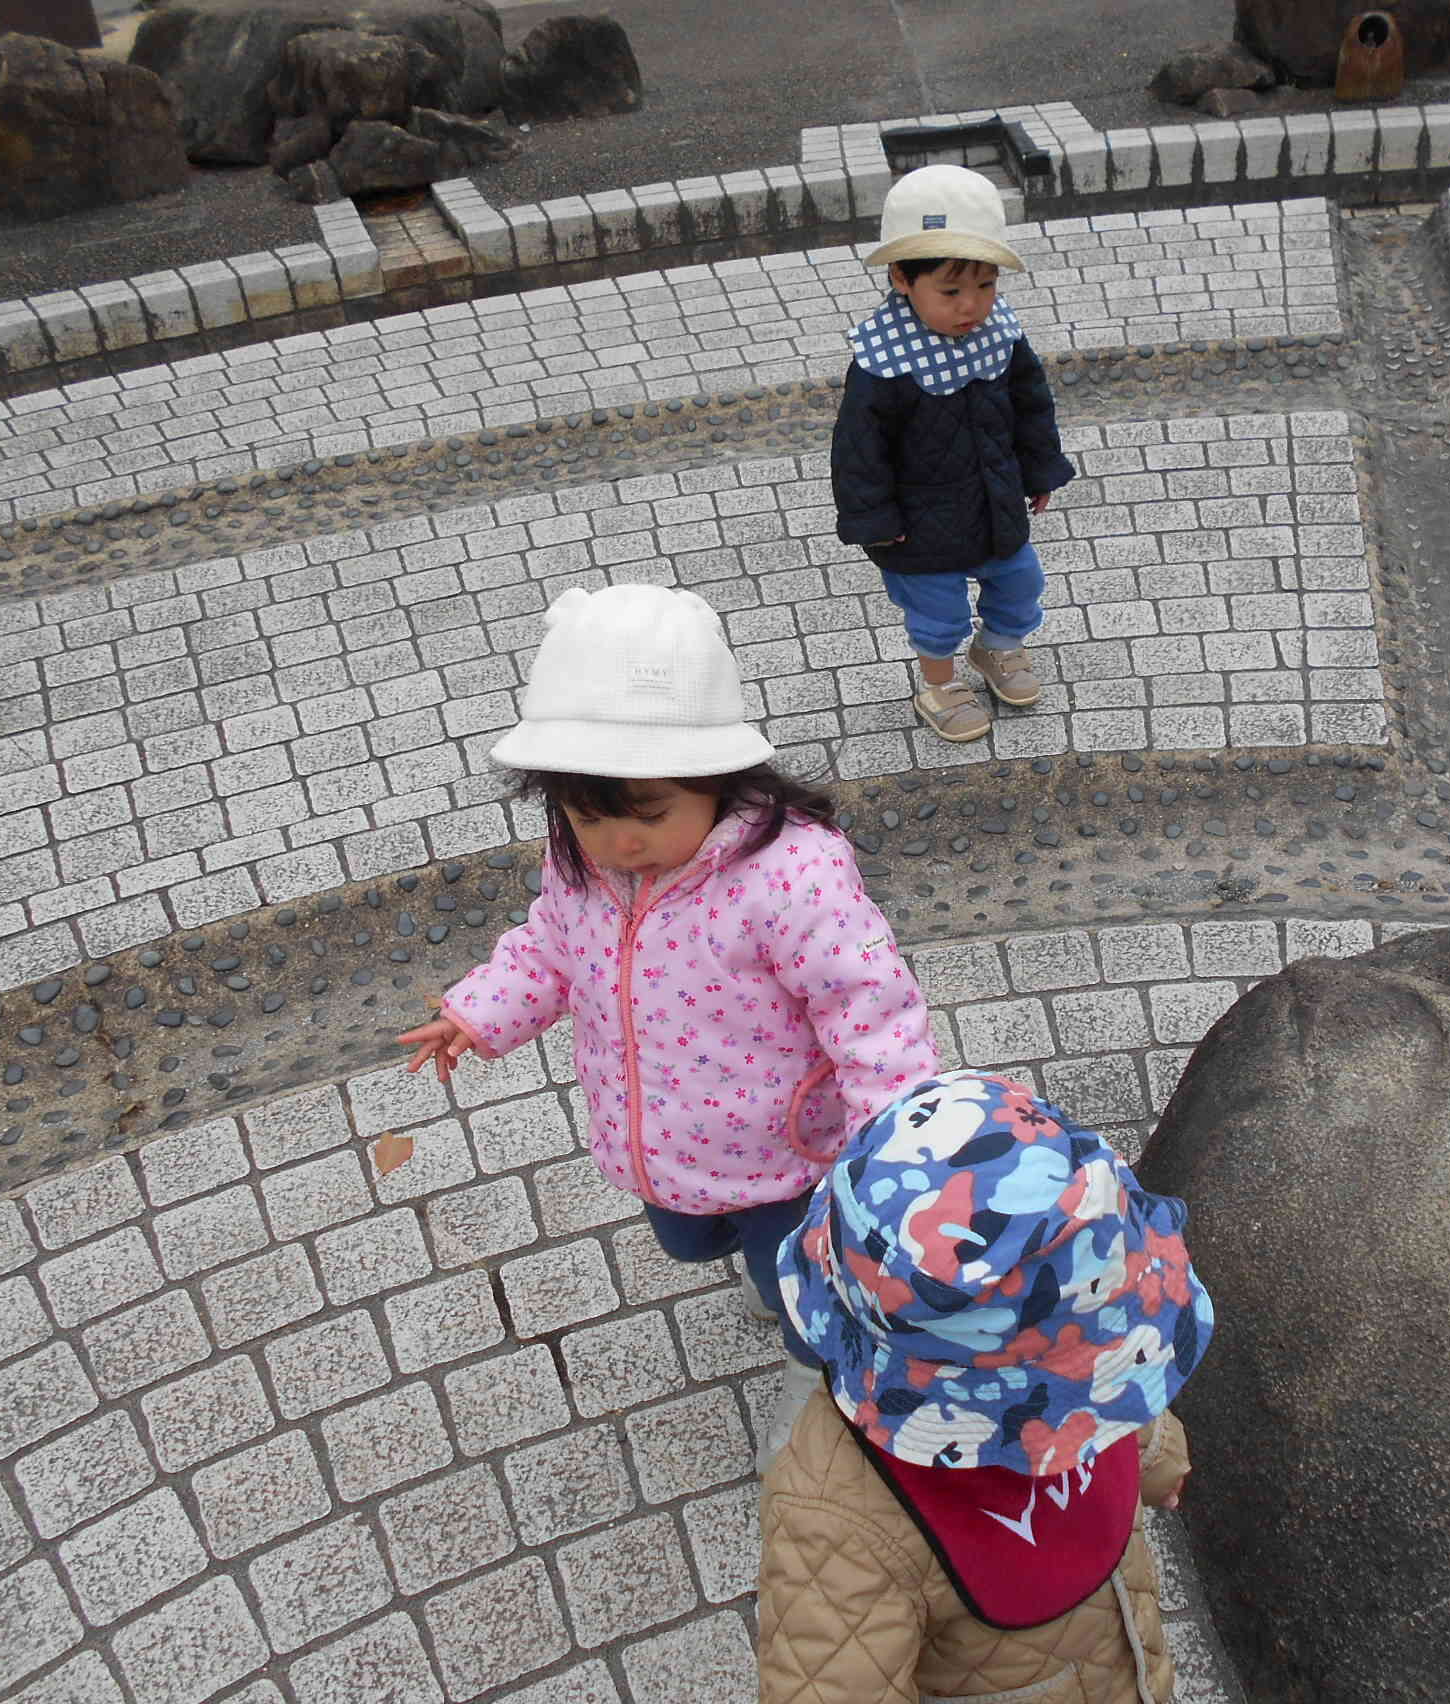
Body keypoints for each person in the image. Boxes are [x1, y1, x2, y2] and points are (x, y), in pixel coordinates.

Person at [397, 583, 940, 1456]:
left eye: (648, 817)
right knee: (689, 1241)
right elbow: (550, 946)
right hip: (656, 1139)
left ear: (720, 780)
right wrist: (480, 1010)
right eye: (586, 818)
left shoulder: (788, 875)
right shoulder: (582, 859)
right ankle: (773, 1285)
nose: (618, 845)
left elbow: (867, 1007)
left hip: (785, 1149)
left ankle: (815, 1376)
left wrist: (898, 1132)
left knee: (797, 1272)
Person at [757, 1070, 1214, 1704]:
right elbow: (827, 1678)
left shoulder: (1086, 1371)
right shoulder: (835, 1518)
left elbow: (1119, 1400)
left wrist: (1161, 1457)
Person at [831, 163, 1076, 744]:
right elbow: (859, 450)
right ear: (901, 280)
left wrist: (1039, 468)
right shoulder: (883, 364)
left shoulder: (1001, 338)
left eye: (986, 286)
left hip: (994, 500)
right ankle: (938, 684)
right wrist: (875, 522)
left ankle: (998, 648)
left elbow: (1031, 405)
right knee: (937, 614)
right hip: (918, 526)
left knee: (1019, 582)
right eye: (951, 291)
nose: (972, 305)